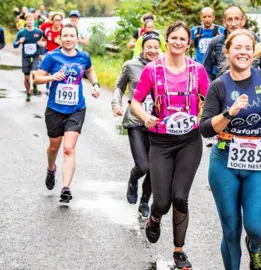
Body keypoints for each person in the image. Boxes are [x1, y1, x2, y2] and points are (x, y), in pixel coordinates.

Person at [200, 29, 261, 270]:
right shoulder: (219, 86)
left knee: (257, 229)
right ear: (227, 52)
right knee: (230, 230)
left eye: (247, 48)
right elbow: (205, 128)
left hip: (258, 161)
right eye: (237, 48)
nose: (243, 52)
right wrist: (229, 113)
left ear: (253, 52)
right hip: (224, 161)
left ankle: (255, 246)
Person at [130, 21, 209, 269]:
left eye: (182, 39)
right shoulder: (152, 70)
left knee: (180, 196)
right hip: (161, 141)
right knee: (162, 201)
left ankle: (179, 250)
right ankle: (154, 218)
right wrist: (145, 116)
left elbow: (210, 99)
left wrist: (202, 115)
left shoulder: (198, 70)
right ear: (167, 40)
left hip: (189, 141)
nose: (177, 42)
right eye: (173, 38)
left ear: (188, 43)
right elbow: (135, 102)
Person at [33, 23, 101, 203]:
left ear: (77, 38)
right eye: (65, 36)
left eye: (72, 36)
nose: (69, 39)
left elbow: (90, 70)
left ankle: (65, 188)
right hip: (55, 109)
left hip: (76, 109)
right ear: (59, 38)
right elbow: (37, 79)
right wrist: (50, 77)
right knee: (54, 147)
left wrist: (95, 84)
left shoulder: (83, 56)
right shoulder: (51, 56)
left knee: (69, 148)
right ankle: (50, 168)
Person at [111, 31, 161, 218]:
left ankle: (144, 202)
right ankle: (133, 180)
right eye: (149, 47)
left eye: (156, 47)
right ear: (142, 47)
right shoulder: (130, 66)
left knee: (155, 168)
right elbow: (119, 87)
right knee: (143, 166)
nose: (152, 51)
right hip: (136, 122)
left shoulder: (164, 66)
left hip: (158, 124)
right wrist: (116, 103)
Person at [203, 5, 261, 82]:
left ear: (243, 21)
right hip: (224, 91)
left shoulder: (253, 39)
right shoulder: (215, 42)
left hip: (250, 89)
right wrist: (212, 88)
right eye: (229, 20)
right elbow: (205, 70)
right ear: (224, 22)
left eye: (237, 19)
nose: (233, 24)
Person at [13, 13, 43, 101]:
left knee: (34, 73)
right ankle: (28, 92)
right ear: (25, 21)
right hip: (25, 56)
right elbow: (14, 45)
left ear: (34, 21)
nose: (30, 21)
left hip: (35, 56)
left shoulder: (39, 32)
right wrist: (19, 42)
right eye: (28, 20)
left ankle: (34, 85)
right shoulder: (21, 32)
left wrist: (41, 44)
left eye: (31, 20)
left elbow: (44, 42)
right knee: (26, 77)